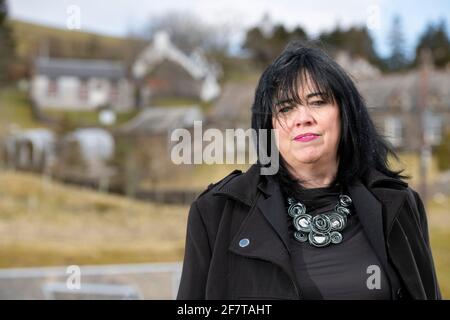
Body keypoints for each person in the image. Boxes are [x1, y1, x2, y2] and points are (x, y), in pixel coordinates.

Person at [176, 41, 441, 300]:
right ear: (268, 126)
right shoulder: (216, 213)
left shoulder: (400, 205)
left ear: (345, 112)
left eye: (317, 102)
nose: (303, 118)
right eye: (286, 107)